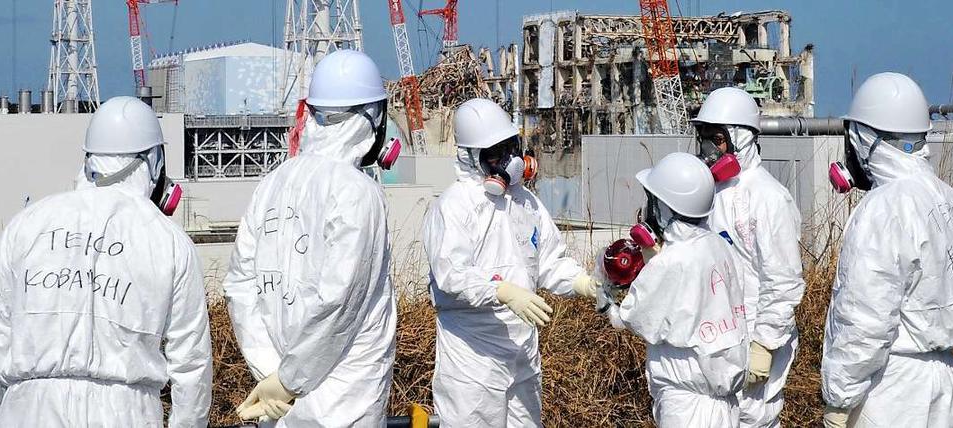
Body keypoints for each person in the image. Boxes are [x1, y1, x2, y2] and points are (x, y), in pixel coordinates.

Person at [0, 96, 213, 427]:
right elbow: (191, 363)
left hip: (27, 410)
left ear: (88, 158)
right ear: (154, 161)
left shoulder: (27, 225)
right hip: (125, 413)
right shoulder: (167, 240)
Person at [224, 49, 397, 427]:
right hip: (345, 402)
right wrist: (289, 380)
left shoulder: (272, 183)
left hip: (276, 403)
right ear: (373, 116)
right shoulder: (358, 192)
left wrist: (270, 373)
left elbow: (239, 285)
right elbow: (340, 302)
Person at [422, 98, 597, 427]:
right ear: (472, 157)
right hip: (473, 360)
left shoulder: (525, 201)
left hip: (522, 354)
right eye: (497, 153)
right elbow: (451, 277)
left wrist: (583, 283)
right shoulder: (455, 205)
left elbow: (549, 261)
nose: (509, 161)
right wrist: (502, 291)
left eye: (511, 148)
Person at [820, 72, 953, 427]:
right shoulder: (949, 199)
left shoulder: (881, 209)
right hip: (947, 384)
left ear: (863, 137)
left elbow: (864, 318)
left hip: (891, 390)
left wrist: (839, 398)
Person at [604, 152, 748, 427]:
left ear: (665, 207)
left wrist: (607, 304)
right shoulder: (719, 246)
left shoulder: (673, 260)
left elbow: (633, 317)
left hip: (687, 405)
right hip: (725, 404)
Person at [692, 87, 805, 427]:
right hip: (714, 341)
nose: (708, 150)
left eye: (717, 139)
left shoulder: (768, 197)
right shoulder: (708, 193)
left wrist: (765, 344)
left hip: (754, 343)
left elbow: (783, 282)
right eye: (704, 139)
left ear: (740, 138)